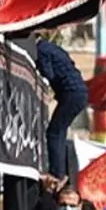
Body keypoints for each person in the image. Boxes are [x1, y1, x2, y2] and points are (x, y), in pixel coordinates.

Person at [35, 33, 89, 180]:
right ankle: (64, 172)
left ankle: (56, 173)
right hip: (79, 93)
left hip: (71, 93)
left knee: (54, 132)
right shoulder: (53, 48)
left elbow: (48, 75)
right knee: (61, 131)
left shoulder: (41, 51)